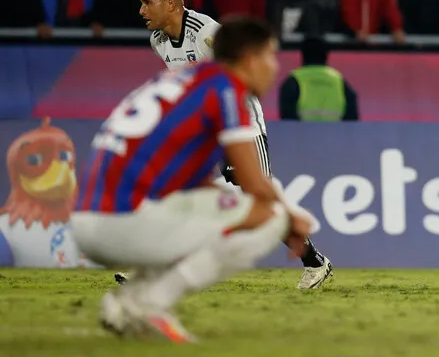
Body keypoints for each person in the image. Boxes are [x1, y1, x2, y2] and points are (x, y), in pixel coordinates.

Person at [71, 18, 312, 342]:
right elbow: (255, 184)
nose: (275, 68)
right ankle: (152, 304)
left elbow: (194, 183)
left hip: (87, 221)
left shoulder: (182, 80)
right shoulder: (226, 91)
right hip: (122, 223)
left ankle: (126, 304)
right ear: (250, 60)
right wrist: (292, 218)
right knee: (270, 217)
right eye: (271, 57)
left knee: (214, 209)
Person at [126, 0, 333, 289]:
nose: (141, 10)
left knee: (261, 205)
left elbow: (243, 77)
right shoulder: (159, 41)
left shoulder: (208, 34)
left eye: (147, 2)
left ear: (171, 3)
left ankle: (315, 263)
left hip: (241, 127)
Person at [279, 37, 360, 121]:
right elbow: (352, 123)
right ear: (326, 55)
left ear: (303, 54)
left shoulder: (292, 81)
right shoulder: (339, 81)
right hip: (334, 133)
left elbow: (287, 120)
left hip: (302, 134)